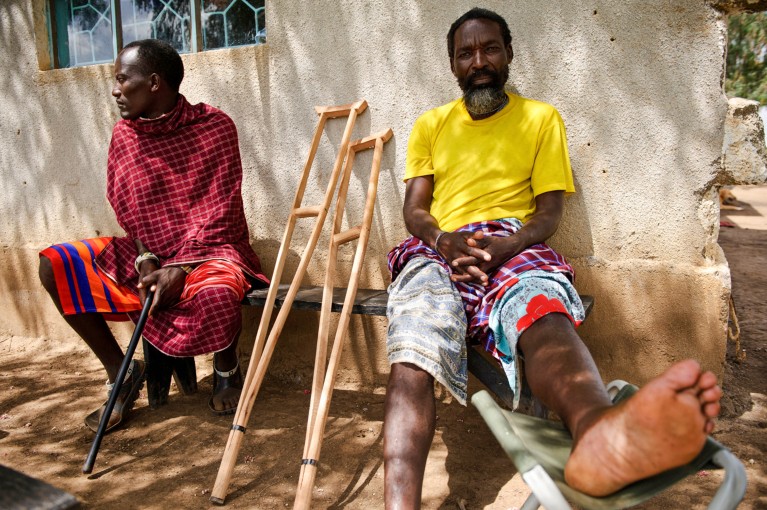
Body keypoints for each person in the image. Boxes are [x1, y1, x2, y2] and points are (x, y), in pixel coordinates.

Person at [383, 8, 722, 507]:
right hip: (439, 248)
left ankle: (600, 439)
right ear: (452, 64)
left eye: (490, 48)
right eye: (466, 53)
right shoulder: (431, 125)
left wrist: (510, 245)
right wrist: (442, 241)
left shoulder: (541, 118)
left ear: (509, 54)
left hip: (512, 242)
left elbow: (548, 212)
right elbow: (415, 210)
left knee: (543, 314)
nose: (479, 61)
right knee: (412, 348)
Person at [38, 39, 269, 433]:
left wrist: (180, 266)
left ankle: (227, 367)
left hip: (210, 250)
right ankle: (122, 375)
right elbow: (130, 210)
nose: (115, 90)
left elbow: (220, 211)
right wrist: (146, 259)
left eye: (122, 79)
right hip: (149, 251)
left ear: (155, 82)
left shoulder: (214, 127)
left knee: (216, 294)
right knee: (54, 265)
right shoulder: (125, 136)